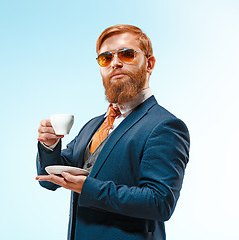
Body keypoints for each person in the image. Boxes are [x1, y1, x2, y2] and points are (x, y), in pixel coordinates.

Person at [35, 24, 190, 240]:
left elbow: (159, 202)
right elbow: (48, 179)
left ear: (149, 64)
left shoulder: (165, 126)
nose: (115, 63)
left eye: (127, 54)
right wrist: (49, 145)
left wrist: (88, 188)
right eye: (105, 58)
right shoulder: (93, 125)